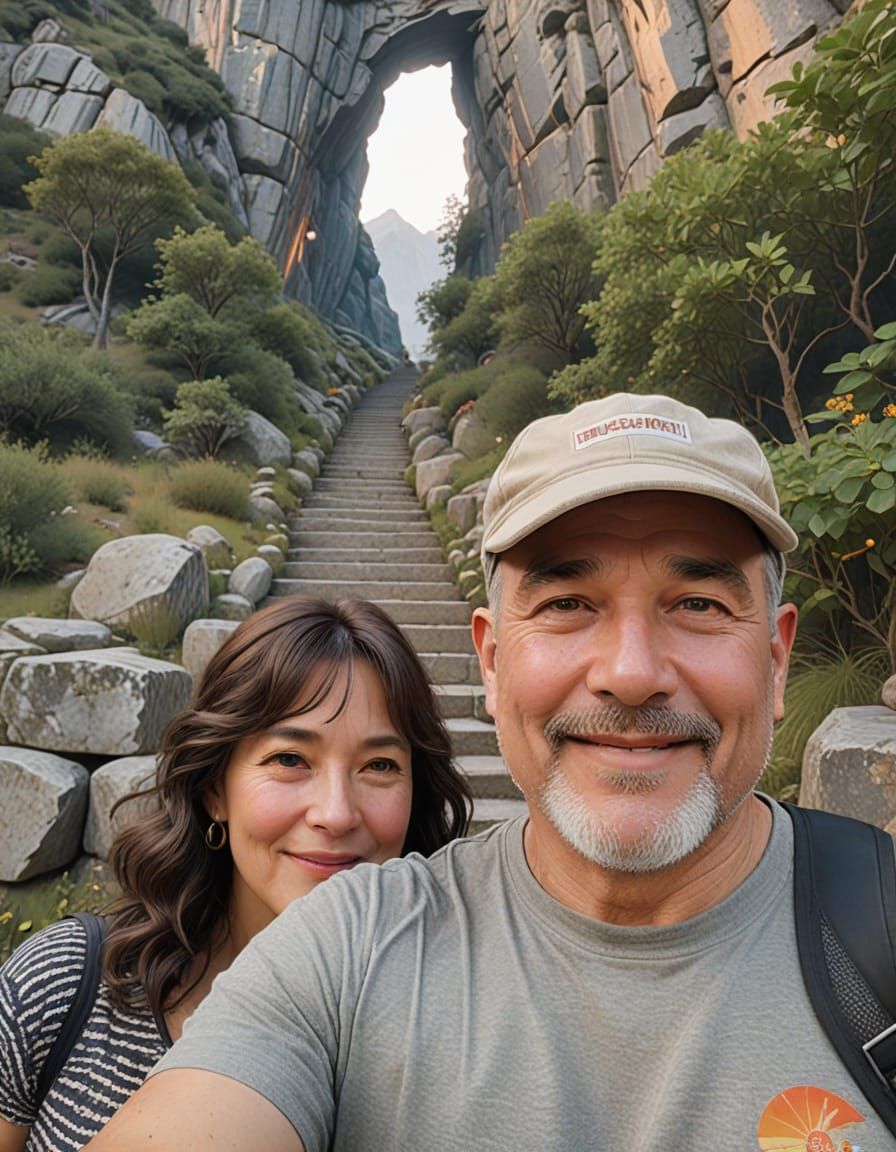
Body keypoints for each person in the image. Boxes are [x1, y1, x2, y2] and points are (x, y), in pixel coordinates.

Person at [84, 392, 893, 1150]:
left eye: (699, 605)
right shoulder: (349, 945)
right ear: (493, 662)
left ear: (776, 660)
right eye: (568, 603)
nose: (632, 673)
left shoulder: (880, 934)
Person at [0, 596, 470, 1152]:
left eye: (379, 765)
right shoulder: (64, 983)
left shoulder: (464, 1037)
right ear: (215, 790)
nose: (337, 813)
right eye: (289, 759)